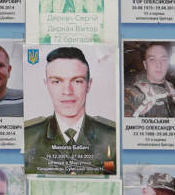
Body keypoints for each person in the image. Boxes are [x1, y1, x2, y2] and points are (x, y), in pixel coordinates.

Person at [24, 46, 116, 175]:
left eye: (77, 81)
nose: (67, 91)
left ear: (89, 84)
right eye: (57, 81)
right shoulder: (28, 136)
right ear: (47, 85)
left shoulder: (111, 137)